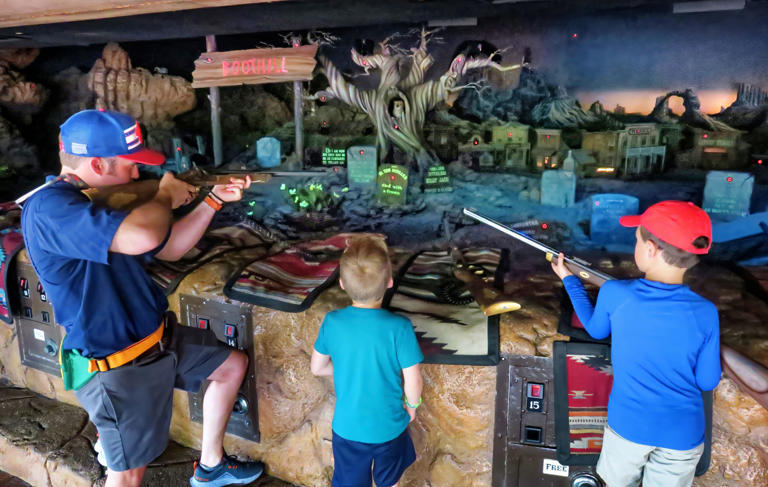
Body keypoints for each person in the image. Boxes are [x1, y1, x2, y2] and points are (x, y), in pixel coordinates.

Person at [21, 109, 264, 487]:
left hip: (156, 342)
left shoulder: (99, 201)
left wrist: (212, 199)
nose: (137, 174)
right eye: (130, 165)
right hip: (118, 364)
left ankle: (212, 465)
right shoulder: (50, 209)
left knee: (230, 365)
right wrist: (164, 196)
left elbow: (170, 248)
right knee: (127, 475)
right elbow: (144, 237)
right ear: (98, 163)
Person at [551, 200, 721, 487]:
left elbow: (595, 328)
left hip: (628, 428)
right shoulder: (706, 311)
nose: (636, 247)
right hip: (683, 434)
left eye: (637, 241)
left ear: (651, 250)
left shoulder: (616, 294)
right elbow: (707, 381)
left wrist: (569, 279)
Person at [310, 236, 424, 487]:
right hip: (389, 428)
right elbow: (413, 378)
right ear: (390, 282)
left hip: (347, 429)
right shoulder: (399, 328)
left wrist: (346, 369)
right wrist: (412, 407)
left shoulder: (332, 322)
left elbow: (317, 368)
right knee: (389, 481)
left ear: (341, 283)